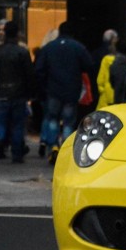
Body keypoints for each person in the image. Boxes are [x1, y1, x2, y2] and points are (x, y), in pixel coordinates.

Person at [35, 21, 94, 164]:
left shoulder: (49, 47)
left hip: (53, 90)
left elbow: (39, 70)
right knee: (68, 122)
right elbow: (89, 66)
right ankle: (65, 149)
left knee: (52, 119)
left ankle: (53, 146)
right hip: (71, 91)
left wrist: (43, 87)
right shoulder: (78, 48)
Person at [0, 20, 35, 163]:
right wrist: (30, 92)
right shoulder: (22, 52)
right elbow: (29, 74)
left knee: (0, 122)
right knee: (18, 125)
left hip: (1, 92)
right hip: (18, 94)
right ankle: (17, 153)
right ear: (17, 34)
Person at [95, 32, 121, 109]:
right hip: (120, 94)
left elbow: (101, 78)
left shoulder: (106, 60)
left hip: (107, 93)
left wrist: (101, 89)